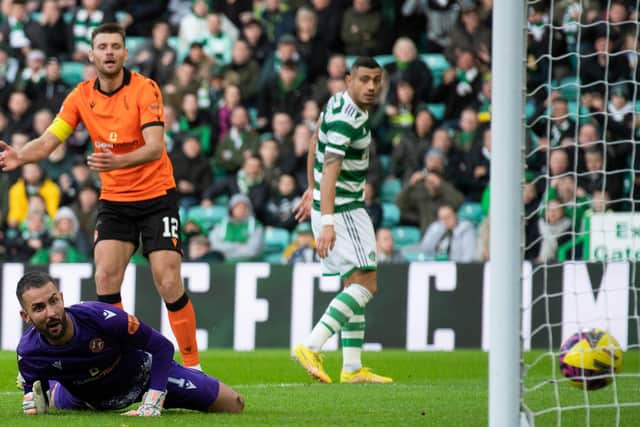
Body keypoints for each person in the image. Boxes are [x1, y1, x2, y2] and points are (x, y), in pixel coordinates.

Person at [0, 23, 201, 370]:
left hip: (157, 195)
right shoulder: (80, 96)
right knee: (106, 278)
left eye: (115, 46)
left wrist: (116, 160)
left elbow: (154, 148)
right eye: (102, 47)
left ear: (125, 53)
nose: (109, 52)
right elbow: (49, 141)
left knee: (168, 280)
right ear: (90, 55)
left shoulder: (145, 89)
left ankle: (193, 366)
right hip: (117, 200)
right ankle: (127, 360)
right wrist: (21, 155)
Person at [291, 57, 392, 384]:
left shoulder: (336, 102)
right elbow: (332, 166)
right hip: (344, 210)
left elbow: (314, 139)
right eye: (364, 79)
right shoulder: (349, 120)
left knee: (353, 282)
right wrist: (330, 221)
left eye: (376, 80)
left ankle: (351, 368)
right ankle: (311, 345)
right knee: (367, 283)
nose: (371, 86)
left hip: (333, 205)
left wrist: (310, 186)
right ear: (349, 79)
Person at [17, 271, 243, 416]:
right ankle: (54, 383)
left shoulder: (101, 317)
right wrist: (34, 397)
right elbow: (35, 404)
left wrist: (154, 398)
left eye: (54, 301)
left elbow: (162, 346)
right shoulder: (28, 354)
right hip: (82, 398)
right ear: (25, 316)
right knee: (52, 393)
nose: (51, 313)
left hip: (143, 378)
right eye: (38, 308)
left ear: (62, 298)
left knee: (234, 404)